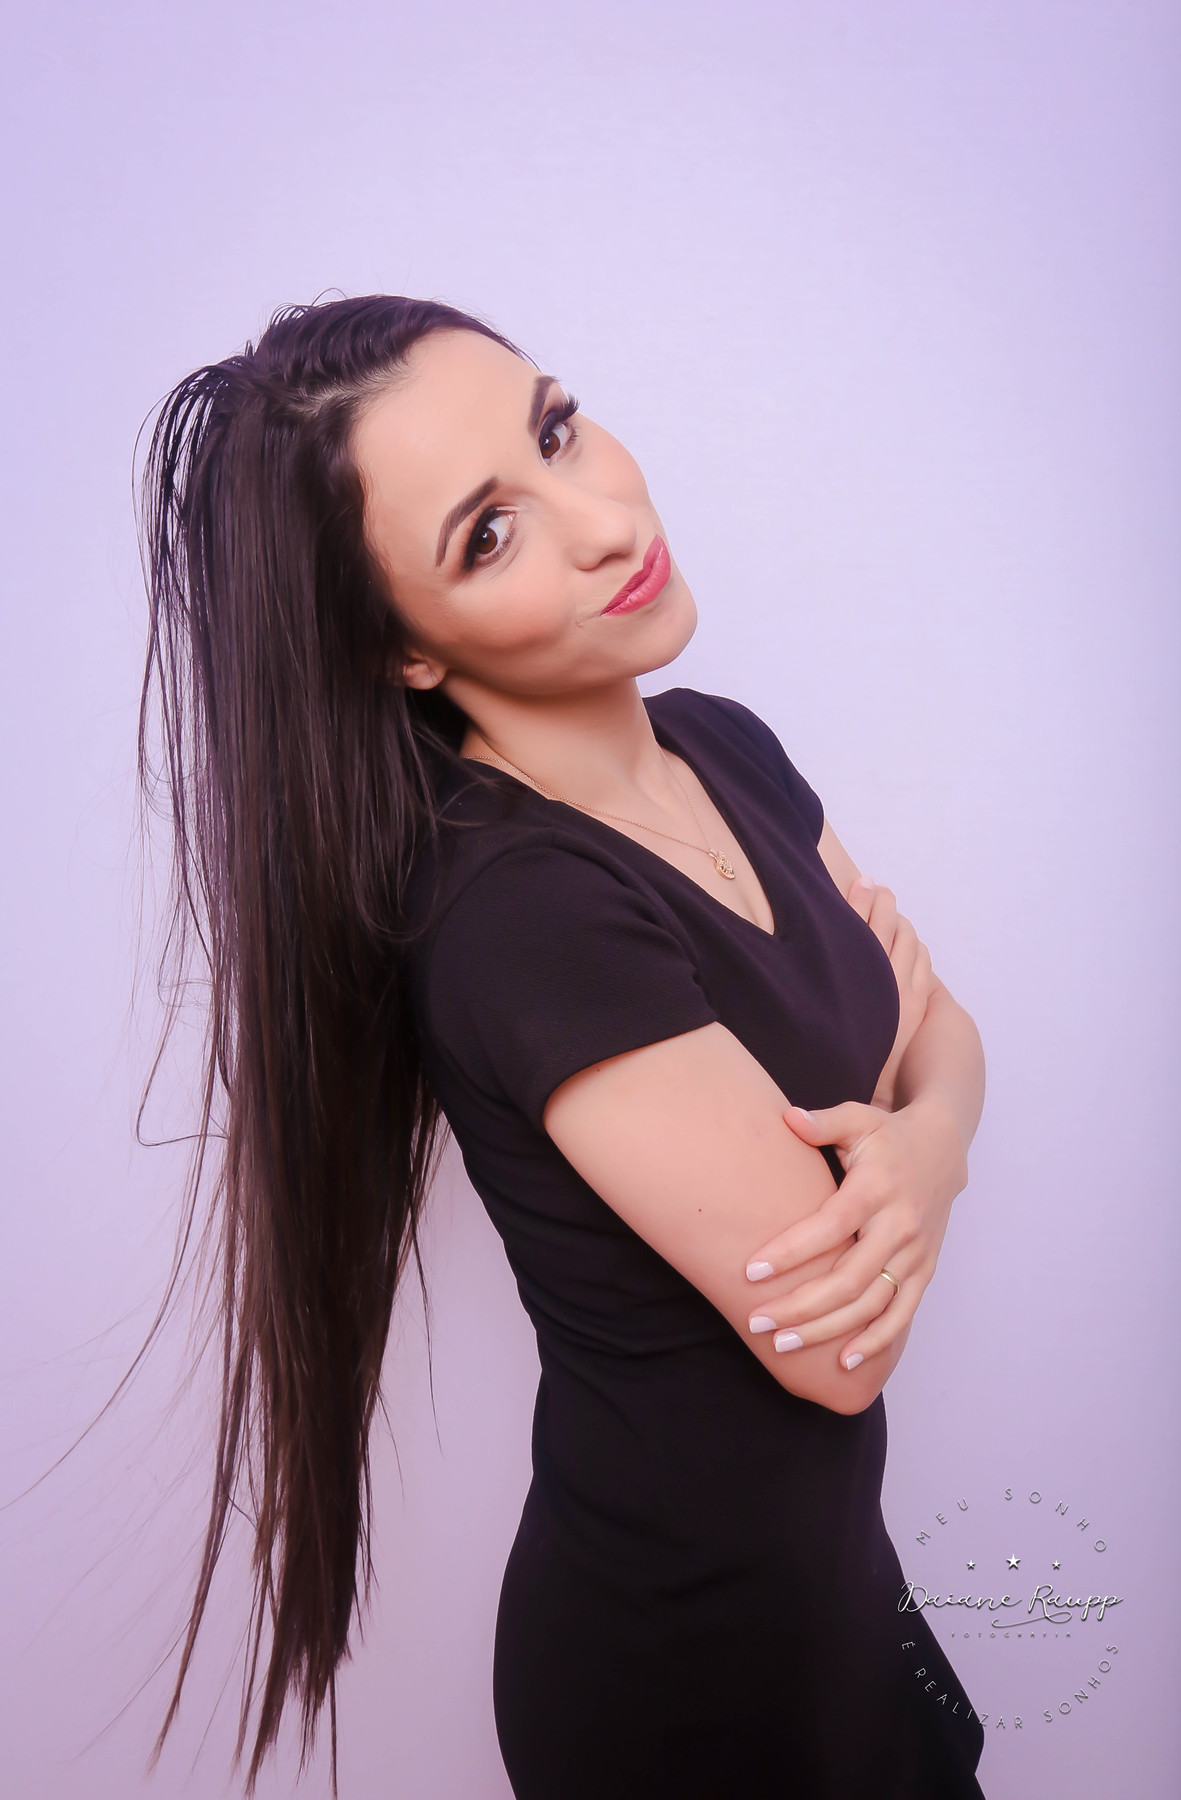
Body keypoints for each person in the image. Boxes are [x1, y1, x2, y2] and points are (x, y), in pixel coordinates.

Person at [137, 294, 987, 1798]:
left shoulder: (726, 744)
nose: (602, 521)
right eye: (488, 535)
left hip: (842, 1604)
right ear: (402, 651)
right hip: (681, 1675)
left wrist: (922, 1150)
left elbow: (952, 1034)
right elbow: (841, 1352)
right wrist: (910, 1091)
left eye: (557, 430)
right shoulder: (521, 912)